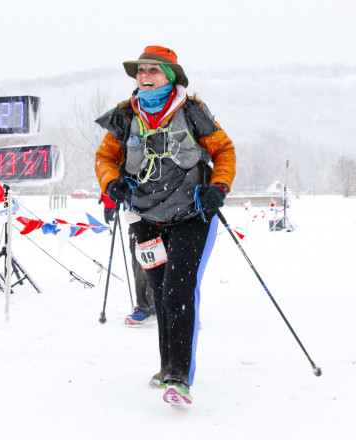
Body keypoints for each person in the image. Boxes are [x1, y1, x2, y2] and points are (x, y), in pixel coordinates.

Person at [94, 46, 236, 405]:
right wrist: (111, 183)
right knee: (159, 294)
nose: (145, 75)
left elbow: (224, 151)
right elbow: (106, 157)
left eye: (154, 70)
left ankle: (179, 375)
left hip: (192, 216)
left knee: (178, 290)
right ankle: (166, 368)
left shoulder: (192, 112)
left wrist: (218, 187)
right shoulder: (125, 115)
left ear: (171, 76)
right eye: (141, 69)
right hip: (145, 219)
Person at [100, 192, 156, 325]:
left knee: (176, 262)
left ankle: (182, 309)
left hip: (175, 211)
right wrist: (109, 202)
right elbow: (113, 174)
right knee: (142, 260)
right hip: (138, 212)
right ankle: (147, 306)